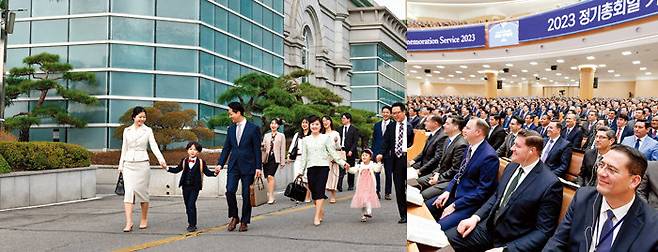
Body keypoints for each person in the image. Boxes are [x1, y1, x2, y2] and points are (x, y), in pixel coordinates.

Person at [446, 130, 563, 251]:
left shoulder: (550, 184)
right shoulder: (512, 166)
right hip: (488, 229)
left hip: (511, 242)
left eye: (517, 146)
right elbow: (497, 196)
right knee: (444, 241)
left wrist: (506, 249)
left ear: (532, 151)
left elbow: (543, 231)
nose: (512, 148)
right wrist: (475, 218)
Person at [543, 145, 658, 251]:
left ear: (634, 181)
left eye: (612, 170)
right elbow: (558, 242)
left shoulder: (652, 225)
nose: (601, 173)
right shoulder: (583, 197)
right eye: (601, 165)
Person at [425, 118, 499, 231]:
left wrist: (455, 205)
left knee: (437, 229)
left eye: (468, 128)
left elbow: (482, 191)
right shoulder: (470, 147)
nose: (463, 130)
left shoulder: (489, 157)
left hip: (469, 203)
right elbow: (460, 173)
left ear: (478, 132)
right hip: (456, 194)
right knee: (425, 208)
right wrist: (447, 191)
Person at [118, 106, 167, 232]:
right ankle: (129, 222)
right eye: (140, 116)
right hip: (128, 163)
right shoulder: (126, 130)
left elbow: (154, 146)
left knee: (142, 192)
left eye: (144, 117)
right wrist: (121, 165)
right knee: (129, 192)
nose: (142, 119)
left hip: (142, 163)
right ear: (134, 117)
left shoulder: (148, 130)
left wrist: (161, 159)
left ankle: (144, 218)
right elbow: (124, 148)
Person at [215, 102, 262, 232]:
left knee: (247, 195)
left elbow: (257, 149)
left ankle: (245, 221)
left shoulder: (253, 129)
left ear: (238, 112)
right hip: (233, 165)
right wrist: (220, 164)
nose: (230, 116)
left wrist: (258, 167)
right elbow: (226, 148)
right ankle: (234, 216)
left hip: (249, 166)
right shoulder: (230, 129)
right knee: (229, 191)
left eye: (231, 114)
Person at [299, 115, 349, 226]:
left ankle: (316, 216)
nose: (314, 126)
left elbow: (333, 153)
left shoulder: (325, 138)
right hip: (311, 167)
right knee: (313, 191)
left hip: (323, 167)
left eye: (317, 124)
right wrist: (300, 172)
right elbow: (304, 157)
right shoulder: (305, 140)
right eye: (312, 124)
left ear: (320, 126)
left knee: (320, 190)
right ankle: (320, 210)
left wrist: (343, 163)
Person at [376, 102, 415, 224]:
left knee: (411, 187)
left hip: (409, 160)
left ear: (404, 112)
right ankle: (403, 215)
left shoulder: (412, 125)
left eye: (398, 112)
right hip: (396, 160)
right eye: (394, 113)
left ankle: (413, 213)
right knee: (399, 189)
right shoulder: (391, 126)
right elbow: (386, 142)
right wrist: (381, 153)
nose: (396, 115)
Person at [165, 142, 216, 232]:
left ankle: (192, 224)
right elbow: (177, 169)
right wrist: (167, 168)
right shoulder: (184, 161)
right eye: (190, 149)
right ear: (187, 150)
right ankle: (190, 222)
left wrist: (215, 173)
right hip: (185, 186)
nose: (192, 151)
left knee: (191, 204)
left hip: (195, 187)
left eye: (195, 149)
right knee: (187, 205)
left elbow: (207, 172)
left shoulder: (201, 162)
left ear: (198, 152)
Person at [417, 115, 468, 200]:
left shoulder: (461, 144)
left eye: (447, 124)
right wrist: (436, 173)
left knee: (423, 195)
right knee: (415, 182)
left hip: (449, 180)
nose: (444, 125)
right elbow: (441, 161)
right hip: (440, 174)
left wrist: (439, 178)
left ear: (455, 127)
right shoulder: (448, 139)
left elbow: (455, 169)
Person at [347, 149, 382, 222]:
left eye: (366, 155)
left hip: (370, 185)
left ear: (370, 157)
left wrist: (379, 162)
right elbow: (353, 170)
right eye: (363, 155)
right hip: (361, 186)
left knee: (367, 199)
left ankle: (369, 212)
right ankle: (364, 215)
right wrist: (348, 169)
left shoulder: (372, 165)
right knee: (362, 201)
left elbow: (377, 169)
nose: (364, 156)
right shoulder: (359, 165)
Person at [261, 118, 286, 204]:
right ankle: (271, 194)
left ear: (278, 126)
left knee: (270, 176)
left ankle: (271, 196)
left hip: (275, 158)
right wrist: (262, 146)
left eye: (275, 124)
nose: (273, 125)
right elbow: (263, 147)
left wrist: (283, 162)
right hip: (266, 158)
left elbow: (282, 149)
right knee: (267, 177)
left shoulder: (281, 135)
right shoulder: (266, 135)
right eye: (272, 123)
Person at [372, 106, 392, 200]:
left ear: (390, 113)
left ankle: (388, 192)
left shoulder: (394, 125)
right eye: (383, 112)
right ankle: (377, 191)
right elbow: (374, 139)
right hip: (376, 151)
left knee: (388, 173)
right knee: (376, 172)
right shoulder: (377, 125)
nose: (385, 114)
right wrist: (373, 151)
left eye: (387, 112)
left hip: (388, 153)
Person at [289, 117, 311, 202]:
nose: (304, 124)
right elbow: (292, 145)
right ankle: (297, 196)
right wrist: (289, 154)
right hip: (298, 158)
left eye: (306, 123)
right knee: (297, 176)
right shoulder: (297, 134)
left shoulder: (311, 135)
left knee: (306, 178)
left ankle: (307, 196)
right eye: (303, 123)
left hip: (308, 159)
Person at [322, 115, 343, 203]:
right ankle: (321, 194)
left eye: (327, 120)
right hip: (323, 158)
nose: (325, 122)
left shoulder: (335, 133)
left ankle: (333, 196)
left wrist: (336, 142)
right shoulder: (321, 134)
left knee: (333, 176)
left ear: (330, 121)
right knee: (323, 177)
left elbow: (339, 147)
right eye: (323, 121)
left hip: (333, 158)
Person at [338, 113, 360, 191]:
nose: (342, 120)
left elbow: (355, 141)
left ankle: (350, 185)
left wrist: (351, 150)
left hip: (350, 151)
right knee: (341, 167)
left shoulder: (354, 129)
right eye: (342, 118)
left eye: (344, 118)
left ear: (348, 119)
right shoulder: (339, 129)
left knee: (350, 168)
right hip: (341, 150)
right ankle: (339, 185)